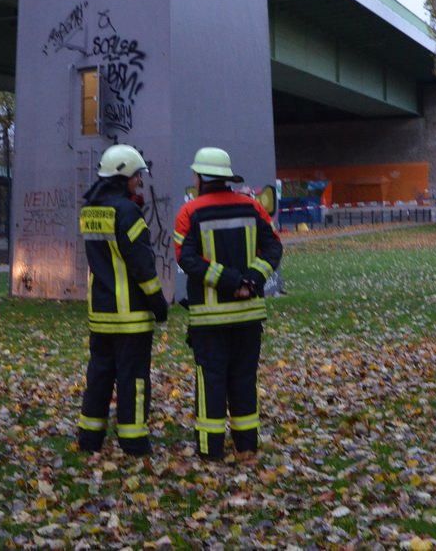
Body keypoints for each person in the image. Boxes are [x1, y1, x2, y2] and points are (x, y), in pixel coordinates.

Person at [174, 147, 283, 460]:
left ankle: (210, 449)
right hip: (249, 316)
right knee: (244, 378)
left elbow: (187, 259)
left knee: (211, 380)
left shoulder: (189, 213)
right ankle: (246, 443)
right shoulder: (252, 208)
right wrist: (250, 280)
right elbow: (273, 249)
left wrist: (231, 281)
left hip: (210, 319)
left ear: (202, 177)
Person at [77, 144, 168, 456]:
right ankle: (134, 441)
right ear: (123, 175)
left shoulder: (90, 210)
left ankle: (89, 439)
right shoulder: (128, 212)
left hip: (100, 312)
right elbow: (141, 265)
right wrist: (158, 302)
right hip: (130, 315)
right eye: (137, 175)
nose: (139, 181)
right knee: (133, 379)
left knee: (99, 375)